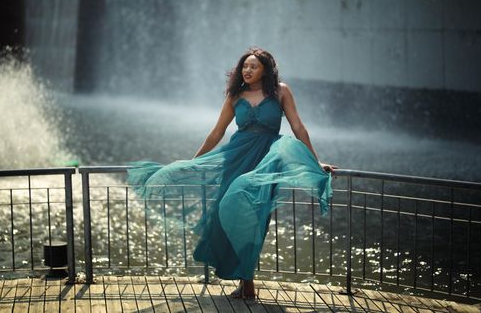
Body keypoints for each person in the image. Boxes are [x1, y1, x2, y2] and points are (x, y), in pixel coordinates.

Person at [128, 47, 336, 300]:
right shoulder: (235, 95)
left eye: (253, 66)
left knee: (255, 222)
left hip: (265, 164)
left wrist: (315, 161)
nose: (247, 70)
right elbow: (216, 133)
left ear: (265, 70)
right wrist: (194, 162)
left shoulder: (281, 91)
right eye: (244, 66)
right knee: (229, 215)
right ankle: (245, 282)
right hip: (235, 159)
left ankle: (246, 281)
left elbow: (299, 128)